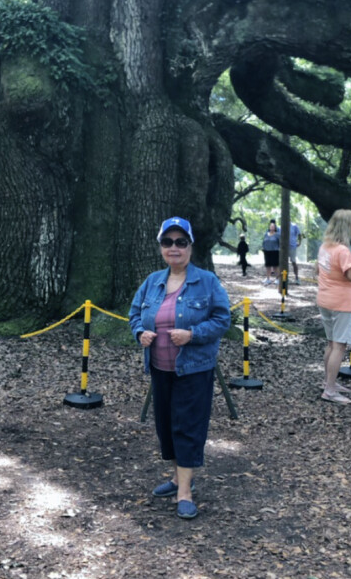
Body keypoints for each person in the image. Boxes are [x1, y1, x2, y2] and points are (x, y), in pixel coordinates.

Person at [129, 215, 230, 521]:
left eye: (180, 242)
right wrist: (139, 333)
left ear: (190, 247)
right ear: (161, 247)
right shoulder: (152, 282)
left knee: (187, 426)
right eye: (167, 242)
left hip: (194, 369)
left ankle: (185, 492)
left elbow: (222, 319)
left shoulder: (207, 282)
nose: (174, 248)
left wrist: (193, 335)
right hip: (160, 369)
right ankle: (177, 479)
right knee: (167, 426)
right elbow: (134, 314)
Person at [316, 210, 351, 404]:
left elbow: (318, 270)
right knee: (339, 346)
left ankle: (329, 382)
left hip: (326, 299)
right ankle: (329, 390)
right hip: (342, 303)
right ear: (346, 226)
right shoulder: (343, 251)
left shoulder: (325, 247)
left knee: (331, 343)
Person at [262, 220, 280, 284]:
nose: (272, 227)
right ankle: (268, 278)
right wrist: (263, 248)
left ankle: (277, 279)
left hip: (275, 252)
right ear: (269, 227)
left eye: (273, 226)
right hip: (267, 252)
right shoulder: (266, 234)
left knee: (275, 266)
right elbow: (264, 242)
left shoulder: (277, 235)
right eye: (271, 226)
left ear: (275, 228)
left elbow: (280, 243)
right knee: (268, 266)